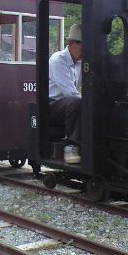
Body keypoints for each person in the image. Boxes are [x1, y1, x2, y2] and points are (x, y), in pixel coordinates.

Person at [48, 23, 83, 164]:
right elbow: (70, 93)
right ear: (72, 43)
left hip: (66, 106)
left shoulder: (81, 62)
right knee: (75, 101)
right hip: (51, 107)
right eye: (83, 45)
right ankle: (71, 146)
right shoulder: (58, 60)